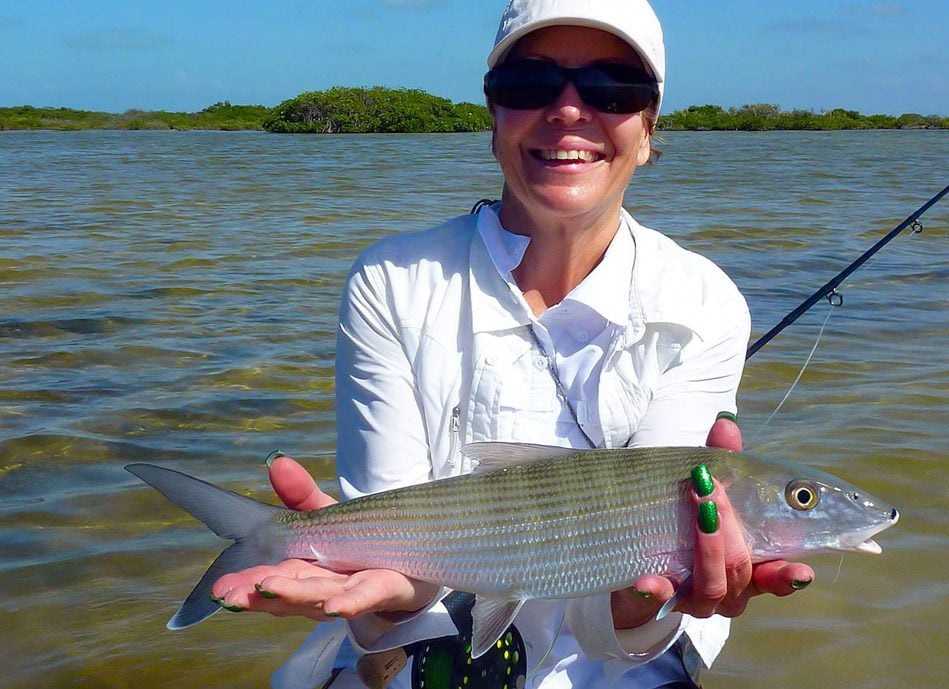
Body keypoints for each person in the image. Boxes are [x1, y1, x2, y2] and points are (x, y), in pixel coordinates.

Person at [213, 1, 815, 686]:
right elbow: (398, 580)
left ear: (648, 131)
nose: (567, 111)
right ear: (494, 116)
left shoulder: (703, 301)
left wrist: (637, 606)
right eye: (530, 83)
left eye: (613, 88)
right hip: (407, 656)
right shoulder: (392, 281)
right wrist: (387, 586)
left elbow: (633, 601)